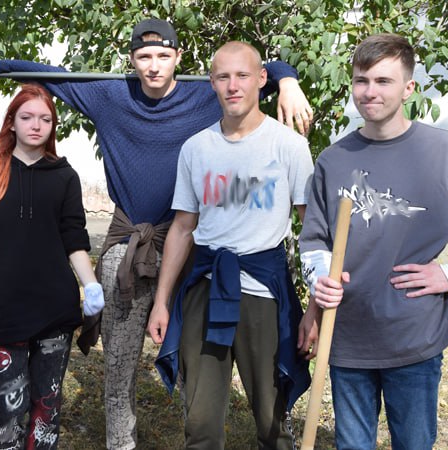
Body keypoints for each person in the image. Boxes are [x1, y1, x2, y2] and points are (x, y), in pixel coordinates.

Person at [0, 18, 313, 450]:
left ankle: (197, 431)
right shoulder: (109, 95)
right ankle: (122, 443)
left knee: (196, 362)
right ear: (132, 60)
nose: (153, 66)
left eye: (162, 56)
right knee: (118, 366)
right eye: (143, 56)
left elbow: (252, 74)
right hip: (128, 249)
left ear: (178, 58)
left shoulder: (205, 94)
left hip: (188, 249)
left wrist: (288, 79)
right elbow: (50, 75)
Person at [297, 33, 448, 449]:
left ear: (409, 88)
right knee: (352, 444)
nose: (370, 92)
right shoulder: (334, 160)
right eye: (361, 80)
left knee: (414, 442)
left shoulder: (441, 152)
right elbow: (314, 240)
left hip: (412, 335)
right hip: (348, 333)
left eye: (383, 81)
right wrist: (319, 279)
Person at [146, 41, 314, 449]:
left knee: (272, 419)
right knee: (200, 423)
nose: (233, 86)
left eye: (242, 76)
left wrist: (314, 309)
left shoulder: (288, 146)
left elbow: (312, 229)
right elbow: (183, 227)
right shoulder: (196, 148)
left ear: (261, 80)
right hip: (205, 288)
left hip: (262, 292)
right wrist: (162, 300)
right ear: (212, 84)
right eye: (223, 77)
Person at [0, 83, 104, 449]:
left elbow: (73, 238)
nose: (36, 125)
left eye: (45, 119)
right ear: (12, 123)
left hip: (55, 311)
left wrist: (91, 284)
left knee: (46, 410)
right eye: (27, 117)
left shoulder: (65, 177)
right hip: (1, 312)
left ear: (53, 126)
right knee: (4, 412)